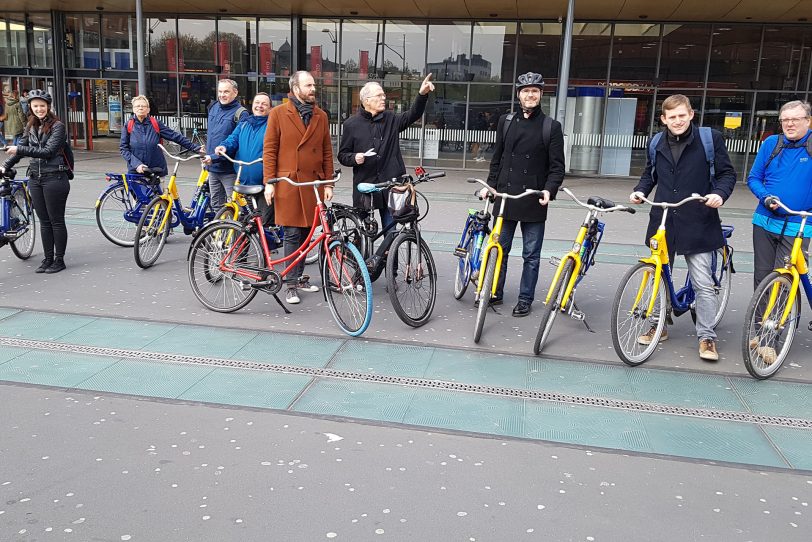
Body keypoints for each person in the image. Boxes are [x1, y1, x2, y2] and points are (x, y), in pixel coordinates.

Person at [630, 94, 736, 362]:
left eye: (681, 115)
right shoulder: (656, 142)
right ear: (664, 119)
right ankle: (659, 324)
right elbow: (650, 174)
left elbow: (727, 174)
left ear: (691, 114)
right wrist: (640, 191)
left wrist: (719, 195)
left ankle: (707, 336)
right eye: (671, 117)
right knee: (658, 276)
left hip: (698, 218)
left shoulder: (709, 140)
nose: (677, 121)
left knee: (702, 282)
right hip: (663, 220)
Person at [482, 72, 565, 317]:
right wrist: (490, 187)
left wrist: (549, 191)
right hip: (506, 197)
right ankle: (495, 290)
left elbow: (557, 167)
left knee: (531, 255)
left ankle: (525, 298)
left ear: (540, 95)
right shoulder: (505, 121)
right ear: (518, 94)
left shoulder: (551, 126)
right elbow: (497, 159)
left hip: (534, 198)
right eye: (526, 91)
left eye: (535, 91)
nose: (530, 95)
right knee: (499, 249)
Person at [262, 71, 334, 305]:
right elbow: (270, 150)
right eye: (308, 85)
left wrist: (328, 183)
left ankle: (299, 277)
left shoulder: (320, 116)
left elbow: (326, 151)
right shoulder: (278, 114)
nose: (313, 89)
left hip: (312, 182)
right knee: (292, 233)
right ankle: (290, 283)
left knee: (306, 232)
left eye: (314, 85)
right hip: (289, 182)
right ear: (295, 89)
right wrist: (269, 182)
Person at [337, 74, 434, 233]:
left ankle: (388, 257)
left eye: (384, 95)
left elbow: (413, 115)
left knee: (391, 234)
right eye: (379, 95)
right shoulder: (351, 124)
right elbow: (343, 155)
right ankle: (362, 256)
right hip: (365, 187)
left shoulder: (391, 119)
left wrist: (422, 95)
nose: (384, 98)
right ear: (366, 100)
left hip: (391, 186)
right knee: (363, 233)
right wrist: (355, 158)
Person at [0, 90, 71, 273]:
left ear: (48, 107)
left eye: (42, 106)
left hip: (55, 177)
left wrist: (18, 149)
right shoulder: (31, 126)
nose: (39, 109)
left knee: (56, 221)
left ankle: (59, 260)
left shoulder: (58, 127)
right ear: (30, 107)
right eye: (35, 106)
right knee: (44, 221)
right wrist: (5, 166)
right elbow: (22, 149)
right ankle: (47, 259)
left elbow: (48, 152)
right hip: (35, 179)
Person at [747, 100, 812, 289]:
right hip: (764, 221)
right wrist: (765, 197)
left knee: (784, 279)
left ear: (808, 121)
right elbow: (754, 178)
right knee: (762, 277)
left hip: (798, 224)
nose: (789, 124)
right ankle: (759, 319)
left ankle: (779, 319)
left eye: (795, 119)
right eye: (785, 120)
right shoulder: (771, 143)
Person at [214, 92, 273, 225]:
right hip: (243, 181)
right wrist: (224, 146)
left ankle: (267, 245)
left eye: (264, 104)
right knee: (243, 222)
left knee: (264, 223)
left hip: (264, 183)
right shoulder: (244, 123)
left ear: (270, 108)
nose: (260, 106)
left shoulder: (272, 125)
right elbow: (233, 139)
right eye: (257, 103)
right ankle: (243, 245)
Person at [119, 95, 203, 177]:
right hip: (136, 170)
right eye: (137, 106)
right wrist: (136, 164)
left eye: (143, 106)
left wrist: (195, 148)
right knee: (137, 191)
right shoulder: (128, 125)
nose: (140, 108)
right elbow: (124, 149)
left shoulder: (155, 123)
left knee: (159, 191)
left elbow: (175, 136)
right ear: (133, 109)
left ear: (148, 109)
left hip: (156, 169)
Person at [205, 79, 249, 211]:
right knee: (216, 206)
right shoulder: (213, 107)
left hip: (229, 170)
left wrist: (216, 156)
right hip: (212, 167)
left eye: (226, 91)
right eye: (220, 91)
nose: (222, 95)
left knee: (234, 207)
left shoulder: (241, 113)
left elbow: (236, 141)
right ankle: (220, 231)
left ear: (235, 93)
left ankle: (236, 231)